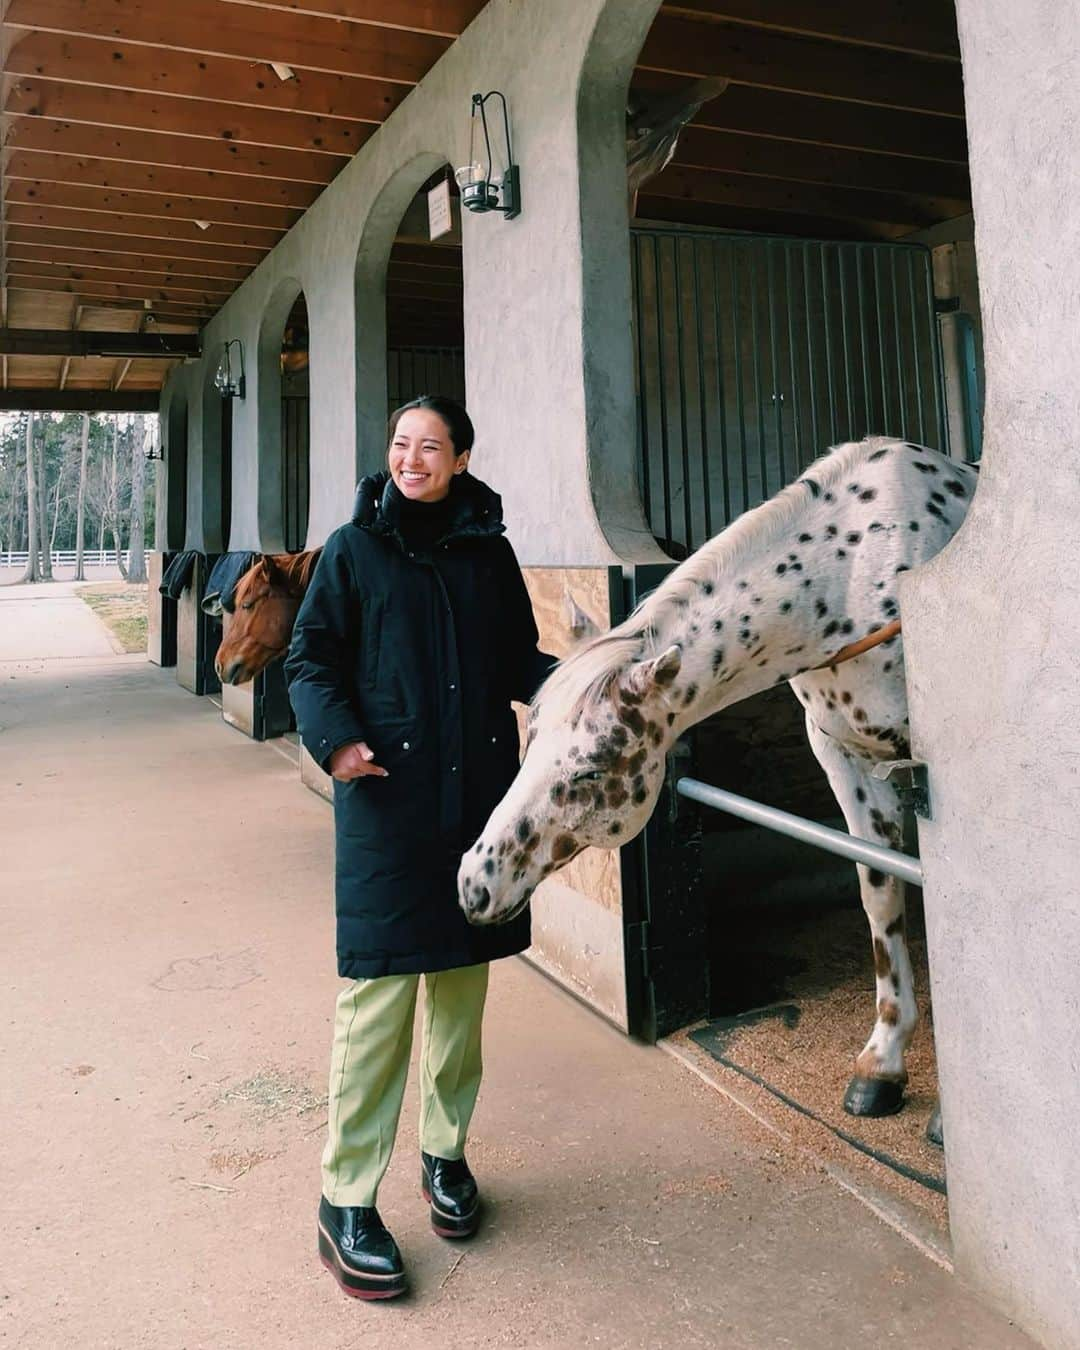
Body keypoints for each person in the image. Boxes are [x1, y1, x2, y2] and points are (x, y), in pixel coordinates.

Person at [285, 395, 553, 1301]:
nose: (412, 458)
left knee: (461, 998)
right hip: (387, 808)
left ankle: (446, 1158)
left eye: (430, 446)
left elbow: (520, 658)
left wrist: (582, 682)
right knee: (378, 1005)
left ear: (462, 458)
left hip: (477, 806)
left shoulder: (491, 553)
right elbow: (309, 660)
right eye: (402, 444)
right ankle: (345, 1198)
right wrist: (339, 741)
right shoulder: (355, 550)